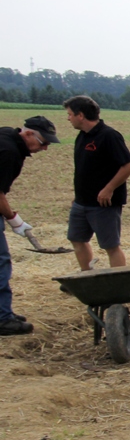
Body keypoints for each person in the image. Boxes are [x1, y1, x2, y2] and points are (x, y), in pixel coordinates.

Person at [0, 116, 60, 335]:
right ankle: (2, 319)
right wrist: (14, 220)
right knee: (1, 261)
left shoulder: (7, 134)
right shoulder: (8, 152)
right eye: (43, 142)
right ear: (27, 134)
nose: (44, 148)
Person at [64, 96, 130, 271]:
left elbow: (129, 165)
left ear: (81, 115)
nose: (68, 118)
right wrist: (78, 196)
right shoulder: (81, 137)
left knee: (110, 245)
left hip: (104, 204)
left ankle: (118, 285)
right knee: (77, 239)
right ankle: (87, 277)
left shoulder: (109, 136)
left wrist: (109, 189)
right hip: (81, 202)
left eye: (70, 114)